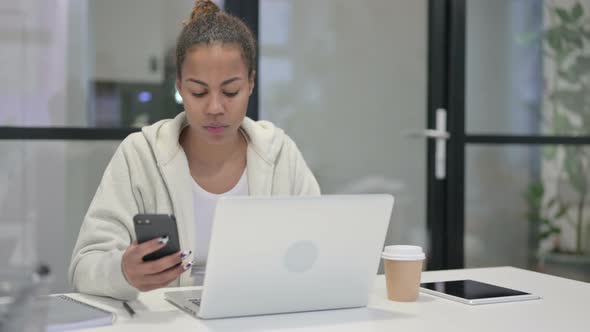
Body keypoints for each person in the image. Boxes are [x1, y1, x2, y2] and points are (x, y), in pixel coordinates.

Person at [68, 0, 320, 300]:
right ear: (179, 85)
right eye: (198, 92)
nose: (215, 108)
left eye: (230, 91)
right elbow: (83, 268)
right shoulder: (142, 155)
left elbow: (319, 252)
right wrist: (122, 271)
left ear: (251, 83)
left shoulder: (281, 156)